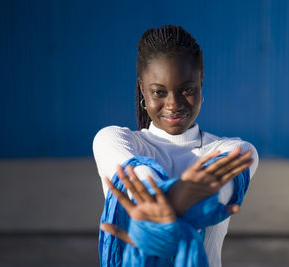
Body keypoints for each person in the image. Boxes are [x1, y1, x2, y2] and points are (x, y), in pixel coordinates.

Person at [93, 25, 259, 266]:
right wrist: (179, 197)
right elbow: (142, 177)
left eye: (186, 90)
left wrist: (156, 217)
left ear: (201, 82)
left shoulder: (234, 150)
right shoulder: (114, 141)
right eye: (159, 92)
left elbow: (198, 201)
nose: (173, 104)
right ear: (142, 88)